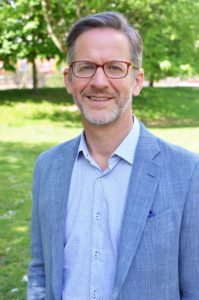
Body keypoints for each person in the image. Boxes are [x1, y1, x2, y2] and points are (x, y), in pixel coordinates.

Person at [27, 11, 199, 300]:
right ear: (69, 80)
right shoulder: (47, 167)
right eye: (85, 67)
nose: (99, 81)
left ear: (137, 80)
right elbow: (40, 270)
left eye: (115, 68)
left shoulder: (188, 171)